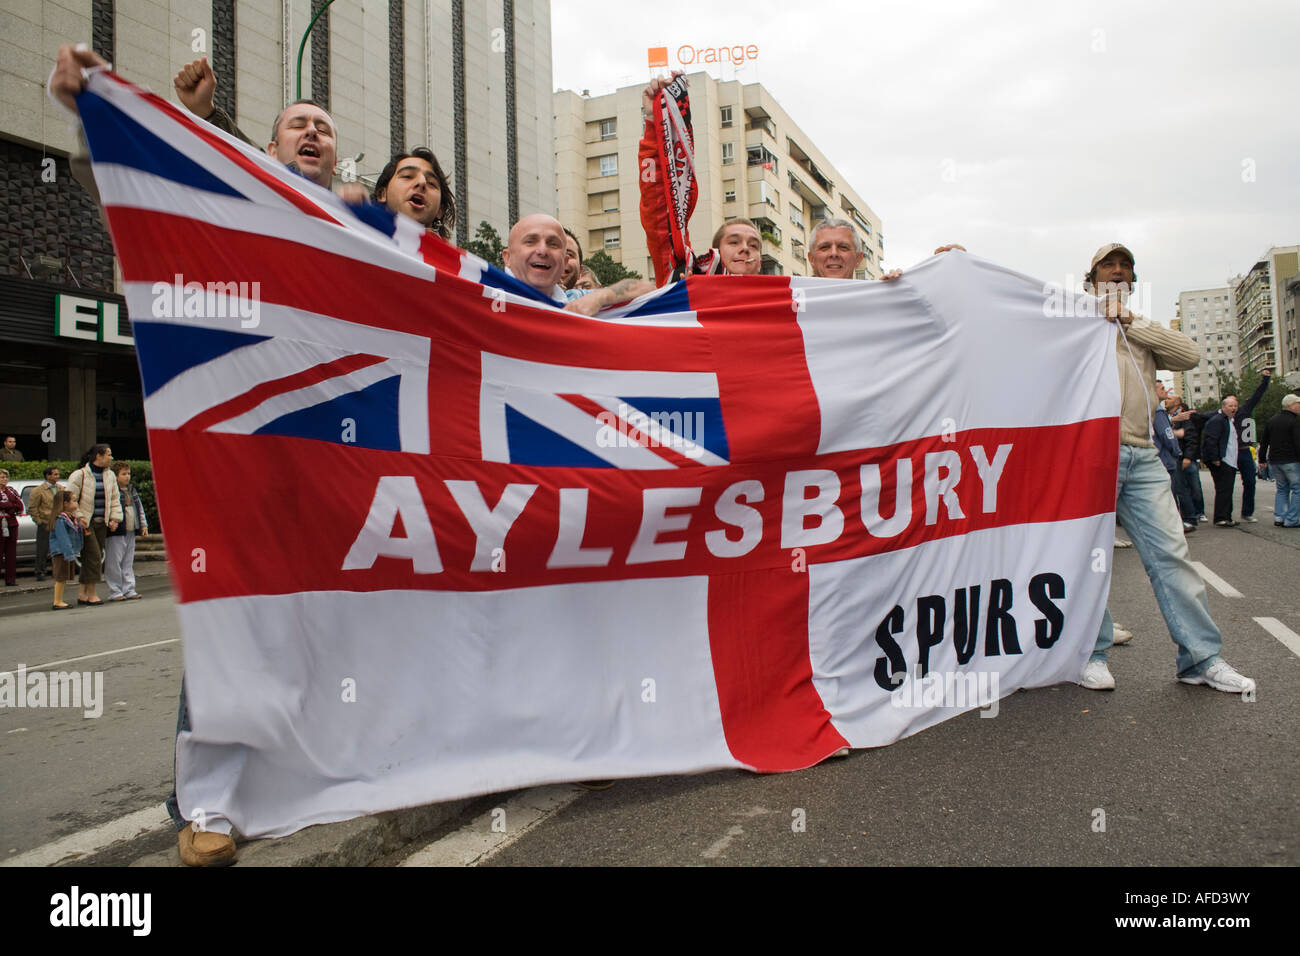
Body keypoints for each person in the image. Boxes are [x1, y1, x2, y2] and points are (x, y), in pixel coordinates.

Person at [1077, 243, 1253, 694]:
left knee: (1173, 556)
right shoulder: (1071, 319)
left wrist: (1131, 322)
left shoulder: (1142, 329)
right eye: (1108, 265)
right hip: (1088, 456)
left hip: (1141, 456)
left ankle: (1200, 659)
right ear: (1090, 276)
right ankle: (1091, 653)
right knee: (1088, 562)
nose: (1117, 271)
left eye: (1125, 267)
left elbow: (1190, 355)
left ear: (1132, 282)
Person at [172, 57, 338, 189]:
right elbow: (247, 156)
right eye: (297, 126)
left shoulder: (357, 222)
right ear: (272, 152)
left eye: (323, 130)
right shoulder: (249, 206)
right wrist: (206, 112)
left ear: (335, 163)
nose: (312, 131)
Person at [501, 213, 653, 314]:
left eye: (553, 244)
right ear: (507, 257)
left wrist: (601, 297)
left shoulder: (574, 301)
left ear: (564, 262)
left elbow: (646, 288)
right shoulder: (484, 299)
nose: (542, 251)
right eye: (530, 242)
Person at [1201, 371, 1271, 527]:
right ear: (1224, 406)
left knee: (1250, 481)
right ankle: (1225, 515)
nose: (1233, 407)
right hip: (1228, 453)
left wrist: (1265, 380)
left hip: (1243, 450)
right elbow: (1201, 418)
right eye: (1230, 404)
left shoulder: (1244, 410)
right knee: (1227, 484)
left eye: (1235, 404)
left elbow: (1257, 395)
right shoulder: (1219, 416)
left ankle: (1247, 512)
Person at [65, 444, 122, 606]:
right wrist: (79, 516)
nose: (111, 458)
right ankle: (91, 593)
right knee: (95, 557)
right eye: (109, 455)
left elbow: (114, 499)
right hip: (85, 523)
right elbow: (69, 499)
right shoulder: (80, 475)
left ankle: (82, 593)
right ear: (98, 456)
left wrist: (114, 518)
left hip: (101, 523)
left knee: (89, 558)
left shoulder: (110, 475)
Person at [367, 147, 457, 239]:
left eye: (431, 183)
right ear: (382, 194)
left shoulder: (449, 253)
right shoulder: (357, 242)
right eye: (408, 176)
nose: (422, 182)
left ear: (440, 210)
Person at [1153, 382, 1195, 533]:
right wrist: (1177, 452)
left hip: (1159, 459)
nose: (1167, 392)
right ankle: (1175, 527)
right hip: (1165, 460)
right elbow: (1167, 435)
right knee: (1170, 495)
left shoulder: (1152, 410)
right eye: (1162, 389)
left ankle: (1173, 525)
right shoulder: (1158, 411)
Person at [104, 462, 148, 601]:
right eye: (123, 474)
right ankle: (115, 591)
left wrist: (143, 525)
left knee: (128, 561)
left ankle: (129, 589)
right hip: (117, 530)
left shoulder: (131, 490)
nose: (127, 477)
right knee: (114, 561)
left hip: (131, 529)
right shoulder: (112, 491)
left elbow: (139, 508)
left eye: (128, 473)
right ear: (115, 476)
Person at [1259, 393, 1300, 528]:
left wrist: (1262, 459)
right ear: (1291, 405)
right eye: (1298, 404)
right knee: (1297, 489)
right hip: (1291, 460)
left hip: (1275, 461)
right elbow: (1297, 442)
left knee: (1282, 489)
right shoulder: (1294, 421)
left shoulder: (1272, 420)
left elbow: (1264, 441)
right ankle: (1292, 519)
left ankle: (1280, 517)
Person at [48, 491, 84, 610]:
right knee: (61, 577)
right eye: (73, 500)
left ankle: (59, 600)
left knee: (63, 577)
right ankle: (57, 601)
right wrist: (69, 553)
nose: (76, 502)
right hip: (61, 552)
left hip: (67, 551)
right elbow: (62, 538)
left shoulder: (71, 517)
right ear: (65, 503)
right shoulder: (60, 519)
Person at [28, 466, 63, 581]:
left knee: (59, 547)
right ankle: (40, 571)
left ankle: (58, 571)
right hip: (45, 522)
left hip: (59, 521)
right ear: (48, 476)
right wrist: (39, 521)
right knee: (43, 548)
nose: (57, 476)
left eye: (58, 474)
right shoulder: (38, 491)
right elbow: (33, 508)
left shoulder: (61, 488)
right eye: (55, 474)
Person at [0, 469, 22, 586]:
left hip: (11, 523)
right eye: (1, 477)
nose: (4, 479)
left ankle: (10, 579)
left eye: (5, 477)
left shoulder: (12, 491)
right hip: (0, 523)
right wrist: (9, 505)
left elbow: (19, 505)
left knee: (11, 552)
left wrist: (9, 506)